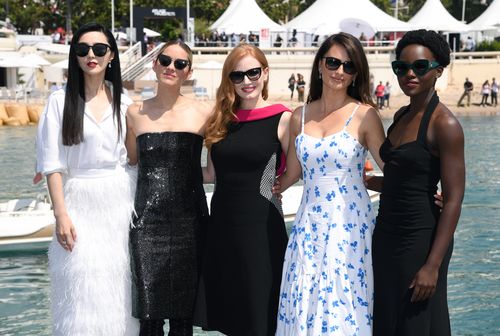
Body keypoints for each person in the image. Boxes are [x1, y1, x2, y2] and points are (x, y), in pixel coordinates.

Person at [275, 32, 386, 335]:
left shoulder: (365, 116)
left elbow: (394, 169)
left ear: (356, 73)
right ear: (320, 65)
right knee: (305, 299)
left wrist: (429, 192)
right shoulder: (299, 116)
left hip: (350, 226)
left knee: (344, 302)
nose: (339, 71)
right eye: (333, 62)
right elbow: (291, 174)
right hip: (308, 225)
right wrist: (252, 186)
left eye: (348, 66)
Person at [37, 22, 139, 335]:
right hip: (77, 202)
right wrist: (61, 214)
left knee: (120, 286)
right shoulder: (58, 102)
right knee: (79, 286)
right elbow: (52, 164)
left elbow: (133, 159)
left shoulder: (125, 103)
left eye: (99, 49)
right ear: (75, 56)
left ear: (111, 56)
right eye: (82, 50)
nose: (90, 55)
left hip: (120, 201)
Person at [369, 29, 465, 336]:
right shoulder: (401, 115)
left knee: (417, 324)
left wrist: (432, 266)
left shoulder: (445, 125)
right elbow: (402, 182)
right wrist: (367, 180)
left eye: (420, 67)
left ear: (438, 70)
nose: (409, 73)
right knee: (386, 320)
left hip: (420, 239)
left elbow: (452, 200)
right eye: (402, 67)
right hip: (386, 234)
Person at [202, 43, 292, 336]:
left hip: (262, 227)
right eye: (237, 76)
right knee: (234, 314)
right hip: (223, 226)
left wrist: (278, 186)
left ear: (265, 73)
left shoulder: (283, 118)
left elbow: (299, 169)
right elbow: (210, 174)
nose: (246, 81)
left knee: (262, 313)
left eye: (253, 72)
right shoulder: (220, 120)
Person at [126, 40, 211, 335]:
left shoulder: (205, 114)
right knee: (148, 319)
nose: (171, 67)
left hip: (190, 222)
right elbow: (129, 164)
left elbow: (216, 169)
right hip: (146, 225)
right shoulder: (134, 113)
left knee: (182, 320)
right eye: (165, 60)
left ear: (189, 71)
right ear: (154, 63)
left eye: (180, 63)